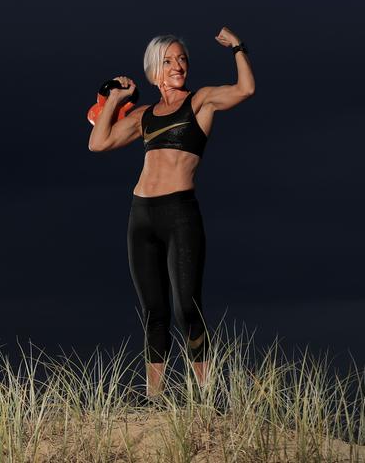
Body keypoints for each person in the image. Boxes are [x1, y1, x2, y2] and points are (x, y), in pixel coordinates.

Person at [88, 27, 255, 398]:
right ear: (154, 70)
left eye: (182, 59)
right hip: (141, 216)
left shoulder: (201, 102)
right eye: (168, 61)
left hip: (179, 213)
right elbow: (98, 142)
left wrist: (238, 48)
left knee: (187, 309)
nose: (178, 65)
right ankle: (154, 398)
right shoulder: (145, 115)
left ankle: (206, 396)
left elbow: (245, 89)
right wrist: (114, 99)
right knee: (154, 312)